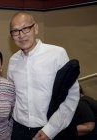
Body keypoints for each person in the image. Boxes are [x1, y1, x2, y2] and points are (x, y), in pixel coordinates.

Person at [7, 12, 80, 140]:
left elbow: (72, 96)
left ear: (35, 28)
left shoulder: (57, 54)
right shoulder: (13, 60)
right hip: (19, 129)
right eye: (15, 31)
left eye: (26, 28)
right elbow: (12, 95)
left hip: (49, 129)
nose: (21, 35)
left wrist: (50, 129)